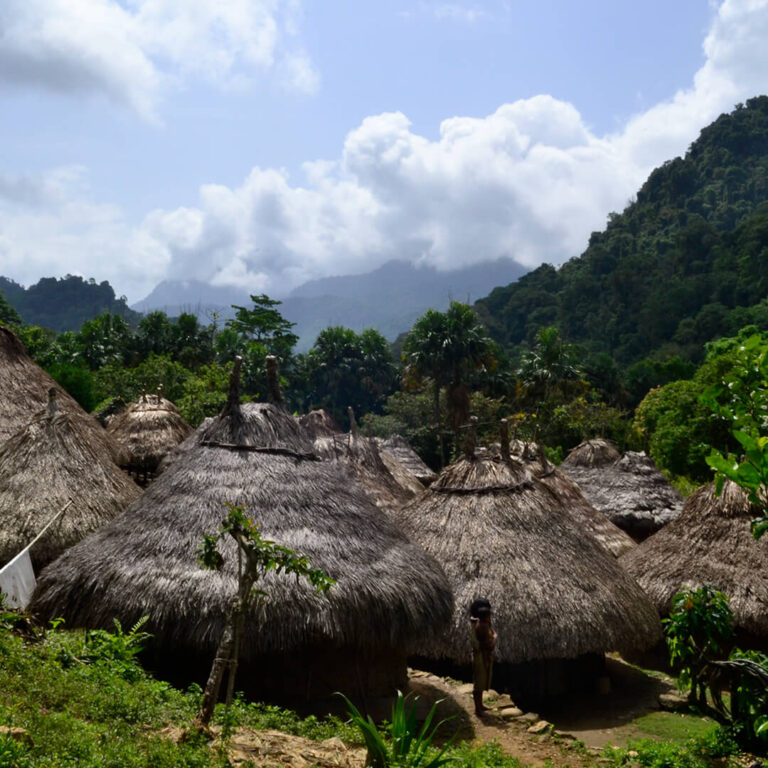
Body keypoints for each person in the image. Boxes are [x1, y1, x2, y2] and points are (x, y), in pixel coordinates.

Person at [469, 598, 497, 716]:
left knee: (481, 681)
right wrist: (495, 637)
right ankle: (478, 709)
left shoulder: (482, 624)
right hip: (481, 656)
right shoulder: (483, 626)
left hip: (482, 656)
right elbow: (488, 645)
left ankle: (480, 706)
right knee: (479, 682)